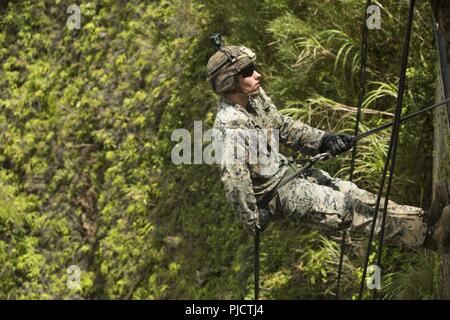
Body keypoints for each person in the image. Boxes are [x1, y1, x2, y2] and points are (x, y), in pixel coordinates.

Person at [206, 41, 450, 252]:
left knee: (356, 195)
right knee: (350, 211)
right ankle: (431, 238)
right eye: (248, 71)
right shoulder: (230, 126)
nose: (257, 74)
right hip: (279, 195)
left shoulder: (255, 98)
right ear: (230, 81)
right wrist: (253, 221)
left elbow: (283, 127)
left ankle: (425, 219)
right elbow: (235, 182)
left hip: (290, 173)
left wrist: (324, 140)